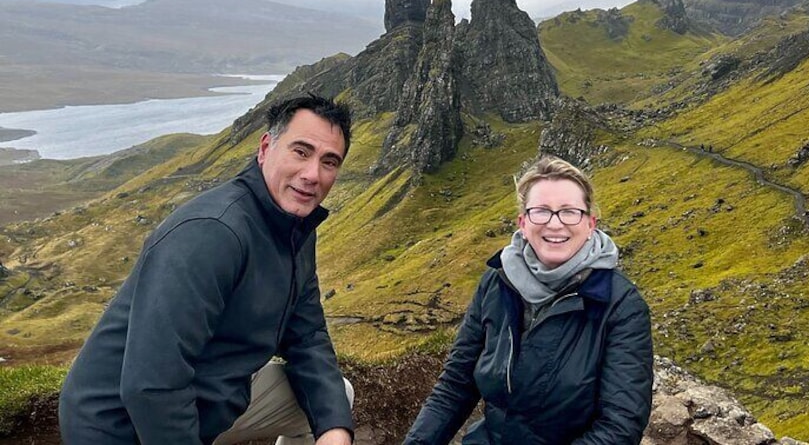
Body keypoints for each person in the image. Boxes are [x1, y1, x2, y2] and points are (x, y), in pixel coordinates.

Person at [59, 94, 355, 445]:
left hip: (208, 398)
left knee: (336, 401)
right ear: (265, 148)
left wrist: (335, 430)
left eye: (329, 162)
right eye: (301, 152)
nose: (312, 175)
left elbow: (307, 336)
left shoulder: (295, 228)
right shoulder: (213, 232)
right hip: (119, 424)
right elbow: (151, 385)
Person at [404, 155, 653, 444]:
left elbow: (620, 427)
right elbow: (455, 386)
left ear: (590, 223)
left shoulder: (620, 305)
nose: (555, 224)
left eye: (569, 211)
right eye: (541, 211)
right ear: (523, 222)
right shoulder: (497, 282)